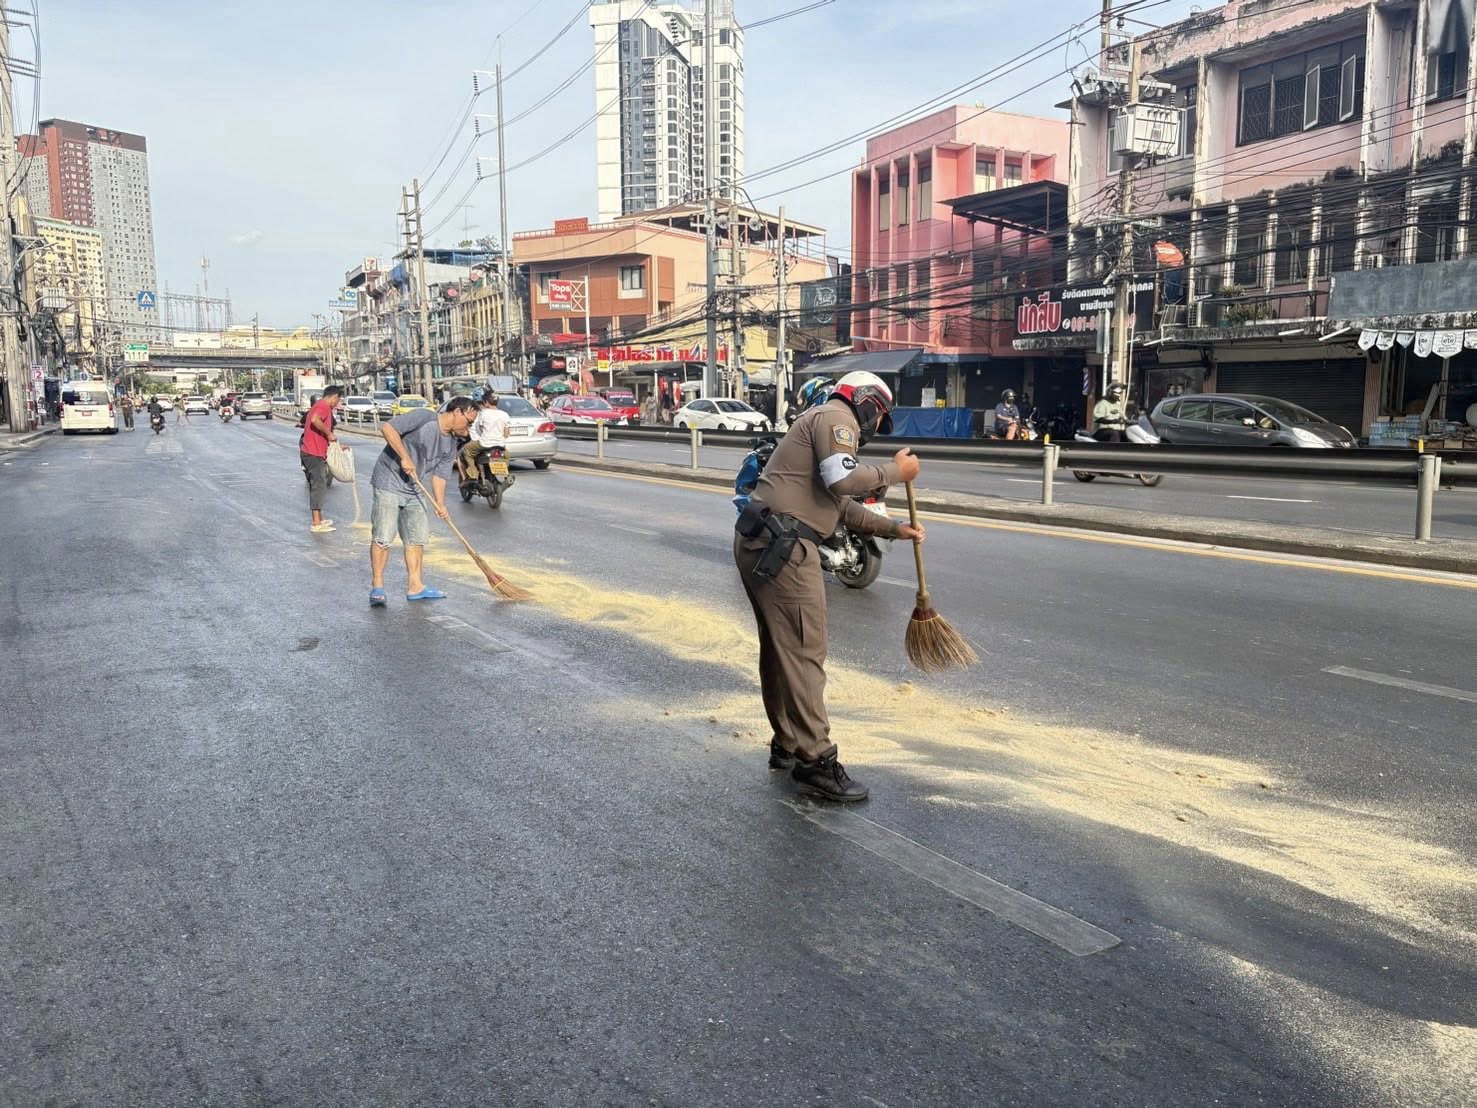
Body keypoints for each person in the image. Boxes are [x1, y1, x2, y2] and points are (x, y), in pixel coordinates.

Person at [733, 369, 924, 803]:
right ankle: (816, 761)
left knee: (781, 650)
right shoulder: (836, 418)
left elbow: (841, 508)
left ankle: (788, 742)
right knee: (803, 653)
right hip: (784, 547)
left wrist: (896, 529)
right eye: (880, 416)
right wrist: (896, 471)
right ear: (867, 401)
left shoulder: (821, 423)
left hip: (764, 541)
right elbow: (844, 481)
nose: (876, 427)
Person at [369, 396, 479, 606]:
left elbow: (440, 475)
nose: (469, 428)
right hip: (389, 481)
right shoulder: (424, 417)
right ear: (457, 412)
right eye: (469, 421)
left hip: (415, 487)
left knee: (416, 539)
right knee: (383, 537)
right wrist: (404, 456)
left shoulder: (451, 443)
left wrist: (440, 503)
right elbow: (388, 428)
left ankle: (415, 586)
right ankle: (377, 586)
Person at [300, 385, 344, 533]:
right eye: (337, 400)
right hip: (313, 452)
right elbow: (314, 420)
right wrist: (329, 433)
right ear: (334, 397)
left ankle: (319, 519)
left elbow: (321, 431)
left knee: (319, 486)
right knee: (318, 486)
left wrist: (336, 445)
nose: (336, 403)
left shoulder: (320, 405)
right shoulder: (324, 406)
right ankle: (316, 523)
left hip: (314, 451)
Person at [458, 391, 512, 485]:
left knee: (466, 451)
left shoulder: (483, 414)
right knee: (506, 456)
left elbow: (479, 430)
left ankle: (473, 474)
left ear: (486, 402)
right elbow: (506, 434)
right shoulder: (505, 415)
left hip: (484, 443)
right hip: (500, 445)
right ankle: (505, 474)